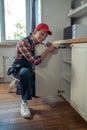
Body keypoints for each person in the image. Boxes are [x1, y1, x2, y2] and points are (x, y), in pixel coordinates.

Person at [7, 23, 57, 118]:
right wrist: (47, 50)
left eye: (45, 36)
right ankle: (24, 103)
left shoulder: (36, 42)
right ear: (35, 31)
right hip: (18, 70)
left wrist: (46, 45)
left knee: (35, 92)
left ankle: (18, 84)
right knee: (25, 73)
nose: (43, 37)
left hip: (29, 70)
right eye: (41, 34)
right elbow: (35, 61)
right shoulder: (23, 42)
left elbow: (40, 46)